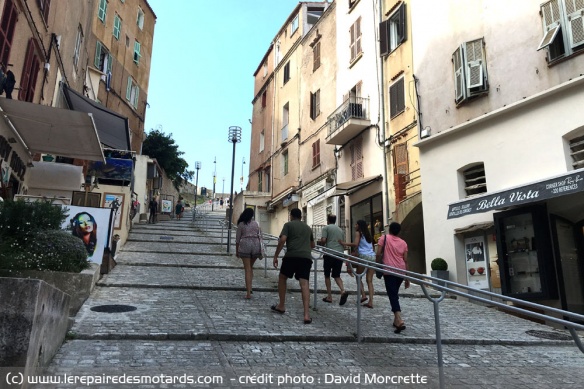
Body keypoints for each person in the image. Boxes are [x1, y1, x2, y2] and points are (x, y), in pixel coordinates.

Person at [271, 208, 315, 324]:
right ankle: (306, 314)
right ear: (301, 216)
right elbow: (313, 245)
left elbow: (283, 239)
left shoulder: (288, 225)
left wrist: (276, 255)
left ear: (291, 216)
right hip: (305, 258)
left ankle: (281, 305)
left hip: (291, 256)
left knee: (282, 278)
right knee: (304, 283)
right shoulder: (308, 228)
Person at [376, 222, 409, 333]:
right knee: (394, 293)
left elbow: (378, 253)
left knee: (392, 294)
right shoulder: (403, 243)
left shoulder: (383, 238)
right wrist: (407, 277)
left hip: (389, 270)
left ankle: (399, 319)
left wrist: (377, 265)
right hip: (401, 270)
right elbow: (405, 260)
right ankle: (396, 320)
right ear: (399, 231)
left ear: (389, 229)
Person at [340, 220, 376, 308]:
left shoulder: (358, 233)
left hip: (363, 256)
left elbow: (355, 244)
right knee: (370, 280)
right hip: (372, 256)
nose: (355, 225)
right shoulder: (368, 235)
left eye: (356, 224)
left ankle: (363, 295)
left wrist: (344, 243)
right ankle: (371, 301)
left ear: (359, 225)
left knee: (358, 276)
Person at [320, 214, 350, 305]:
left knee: (327, 275)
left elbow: (323, 240)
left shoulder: (326, 228)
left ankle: (329, 296)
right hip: (339, 254)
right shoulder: (340, 230)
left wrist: (321, 243)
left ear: (328, 220)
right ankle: (343, 291)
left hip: (329, 253)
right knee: (336, 275)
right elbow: (342, 242)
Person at [235, 208, 264, 299]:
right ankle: (250, 288)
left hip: (245, 246)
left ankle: (248, 293)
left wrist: (237, 251)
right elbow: (261, 235)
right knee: (251, 268)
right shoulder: (256, 224)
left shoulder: (241, 224)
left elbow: (237, 239)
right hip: (255, 246)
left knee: (247, 269)